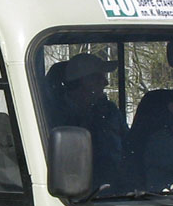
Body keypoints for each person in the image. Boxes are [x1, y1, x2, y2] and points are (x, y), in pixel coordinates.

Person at [55, 52, 131, 191]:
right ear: (80, 82)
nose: (106, 82)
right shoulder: (56, 115)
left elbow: (129, 145)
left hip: (119, 188)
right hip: (79, 191)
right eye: (98, 78)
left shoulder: (109, 111)